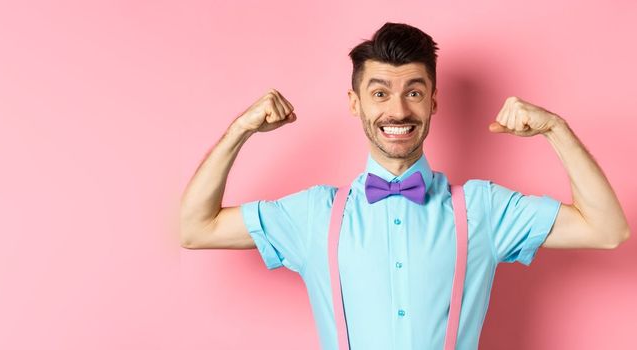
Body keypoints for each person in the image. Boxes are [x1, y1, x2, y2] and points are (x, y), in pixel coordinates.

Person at [178, 22, 631, 349]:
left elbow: (607, 230)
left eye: (413, 92)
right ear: (354, 104)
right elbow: (197, 228)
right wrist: (240, 130)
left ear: (434, 101)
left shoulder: (483, 209)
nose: (397, 110)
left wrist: (556, 130)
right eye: (379, 93)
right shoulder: (314, 215)